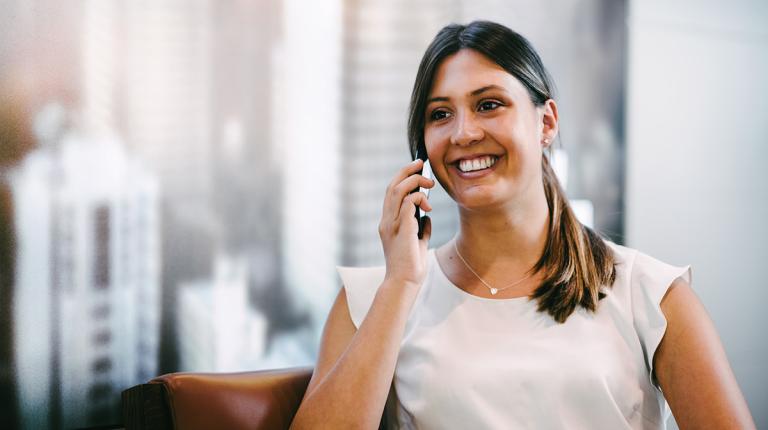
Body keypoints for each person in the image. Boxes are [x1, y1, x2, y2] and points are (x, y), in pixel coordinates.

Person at [289, 21, 755, 429]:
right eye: (440, 114)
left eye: (489, 104)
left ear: (546, 121)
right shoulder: (371, 300)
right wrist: (401, 284)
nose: (464, 133)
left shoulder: (649, 294)